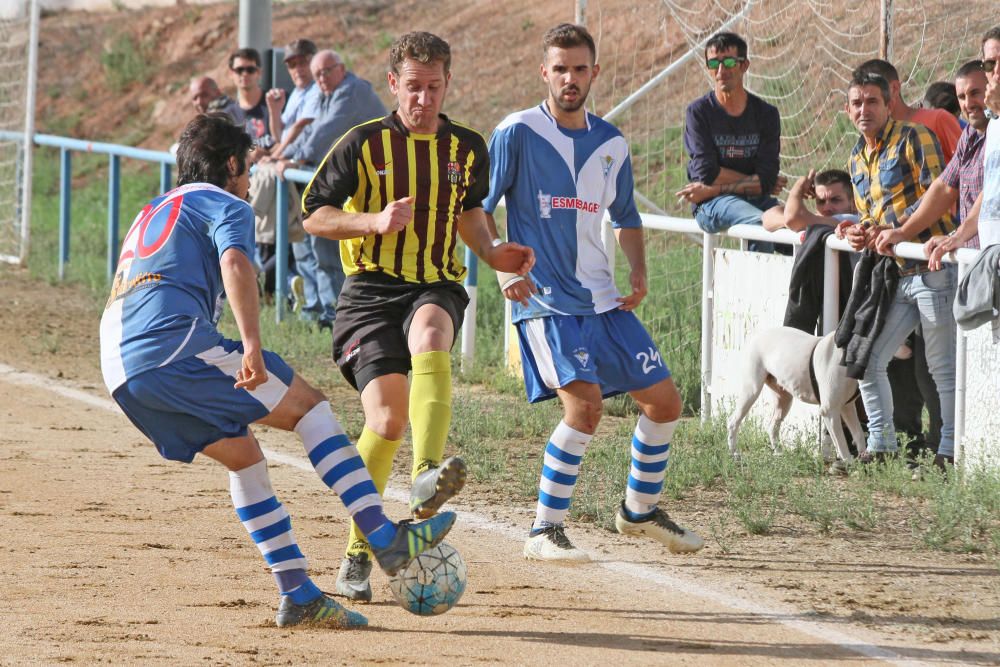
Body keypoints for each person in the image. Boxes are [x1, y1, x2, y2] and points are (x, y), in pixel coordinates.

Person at [98, 113, 456, 628]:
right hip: (170, 348)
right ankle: (385, 537)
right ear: (230, 164)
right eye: (246, 168)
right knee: (310, 408)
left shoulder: (153, 208)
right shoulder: (225, 202)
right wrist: (250, 344)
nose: (248, 180)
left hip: (120, 367)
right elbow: (237, 264)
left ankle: (299, 593)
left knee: (244, 457)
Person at [301, 32, 534, 600]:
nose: (423, 99)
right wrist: (373, 222)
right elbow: (315, 216)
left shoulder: (469, 148)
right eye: (413, 88)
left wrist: (494, 253)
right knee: (384, 422)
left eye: (433, 88)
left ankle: (426, 474)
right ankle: (360, 549)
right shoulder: (362, 143)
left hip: (434, 282)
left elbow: (471, 214)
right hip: (369, 294)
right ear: (393, 85)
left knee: (432, 330)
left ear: (447, 84)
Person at [484, 23, 704, 563]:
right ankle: (544, 528)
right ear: (544, 73)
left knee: (665, 400)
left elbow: (625, 216)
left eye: (579, 69)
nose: (569, 79)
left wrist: (639, 273)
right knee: (584, 410)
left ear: (594, 73)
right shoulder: (517, 132)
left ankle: (638, 511)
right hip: (545, 298)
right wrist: (502, 269)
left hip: (604, 299)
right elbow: (479, 209)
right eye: (559, 69)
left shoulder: (611, 143)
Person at [837, 69, 958, 467]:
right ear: (847, 109)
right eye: (856, 103)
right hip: (892, 275)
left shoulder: (914, 136)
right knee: (869, 359)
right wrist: (856, 230)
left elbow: (941, 194)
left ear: (890, 103)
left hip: (930, 267)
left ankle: (947, 453)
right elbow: (870, 215)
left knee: (941, 368)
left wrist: (898, 230)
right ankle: (884, 447)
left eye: (872, 101)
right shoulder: (856, 154)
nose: (864, 109)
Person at [678, 31, 786, 251]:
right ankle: (757, 287)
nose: (721, 71)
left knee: (794, 229)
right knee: (760, 226)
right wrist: (756, 182)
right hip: (711, 204)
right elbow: (707, 173)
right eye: (714, 63)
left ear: (744, 65)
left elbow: (765, 180)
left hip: (745, 198)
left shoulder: (766, 114)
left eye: (728, 62)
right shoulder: (698, 112)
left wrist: (713, 188)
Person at [857, 59, 962, 164]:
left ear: (894, 88)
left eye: (872, 98)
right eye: (859, 102)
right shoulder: (872, 145)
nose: (864, 109)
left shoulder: (937, 119)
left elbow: (968, 165)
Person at [228, 48, 273, 152]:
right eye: (239, 70)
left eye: (250, 70)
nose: (245, 74)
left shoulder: (275, 101)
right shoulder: (228, 115)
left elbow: (287, 139)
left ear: (259, 72)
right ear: (231, 74)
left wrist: (269, 155)